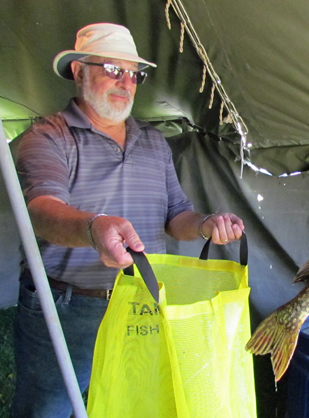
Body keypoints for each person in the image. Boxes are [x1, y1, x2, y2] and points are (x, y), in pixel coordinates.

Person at [11, 23, 245, 418]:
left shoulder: (154, 142)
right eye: (112, 69)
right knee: (46, 408)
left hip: (142, 304)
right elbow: (42, 212)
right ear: (78, 71)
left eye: (134, 74)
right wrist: (92, 228)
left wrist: (205, 224)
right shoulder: (48, 136)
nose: (126, 83)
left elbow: (176, 217)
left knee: (134, 403)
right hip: (68, 308)